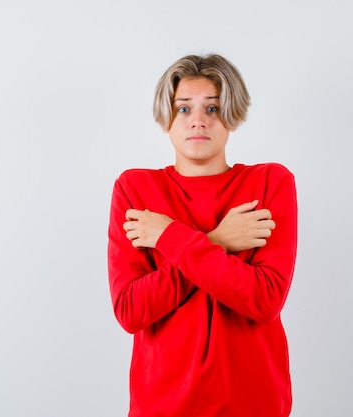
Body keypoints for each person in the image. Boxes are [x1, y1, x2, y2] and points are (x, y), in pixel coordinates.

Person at [107, 53, 298, 417]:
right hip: (162, 404)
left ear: (232, 116)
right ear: (167, 117)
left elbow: (264, 299)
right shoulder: (135, 190)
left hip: (254, 402)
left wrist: (169, 237)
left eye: (212, 109)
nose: (197, 121)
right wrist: (219, 239)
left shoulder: (271, 183)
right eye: (183, 109)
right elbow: (131, 311)